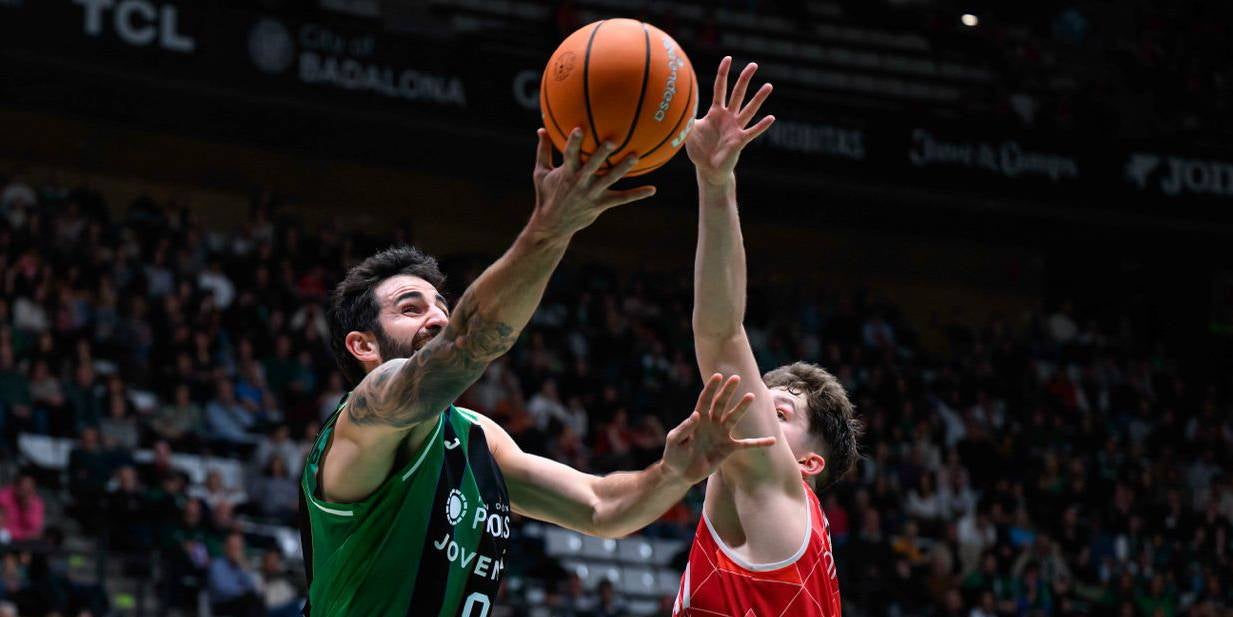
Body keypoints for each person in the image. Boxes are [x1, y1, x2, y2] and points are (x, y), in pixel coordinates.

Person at [300, 129, 775, 616]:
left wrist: (674, 474)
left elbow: (598, 508)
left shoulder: (477, 438)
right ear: (363, 345)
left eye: (442, 304)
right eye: (410, 307)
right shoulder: (367, 414)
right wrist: (551, 227)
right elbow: (466, 344)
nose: (437, 317)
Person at [672, 57, 862, 616]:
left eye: (777, 416)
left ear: (807, 465)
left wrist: (715, 182)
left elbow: (721, 332)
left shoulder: (782, 494)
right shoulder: (775, 536)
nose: (744, 407)